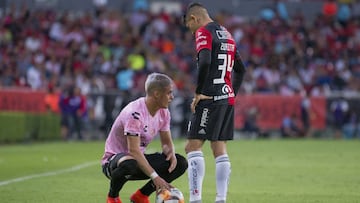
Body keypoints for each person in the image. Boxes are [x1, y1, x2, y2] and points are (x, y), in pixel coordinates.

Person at [183, 3, 246, 203]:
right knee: (219, 149)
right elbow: (241, 70)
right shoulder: (227, 34)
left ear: (194, 18)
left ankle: (196, 200)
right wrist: (231, 94)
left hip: (209, 97)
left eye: (189, 25)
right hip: (226, 97)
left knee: (192, 147)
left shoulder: (204, 32)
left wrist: (199, 92)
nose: (191, 31)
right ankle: (221, 199)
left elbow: (205, 61)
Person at [101, 72, 188, 203]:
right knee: (130, 163)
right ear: (157, 94)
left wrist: (170, 152)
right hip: (115, 163)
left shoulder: (164, 112)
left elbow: (166, 142)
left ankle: (140, 196)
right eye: (169, 93)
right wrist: (155, 177)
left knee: (180, 163)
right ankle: (112, 197)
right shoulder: (135, 113)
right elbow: (134, 151)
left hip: (137, 161)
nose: (172, 97)